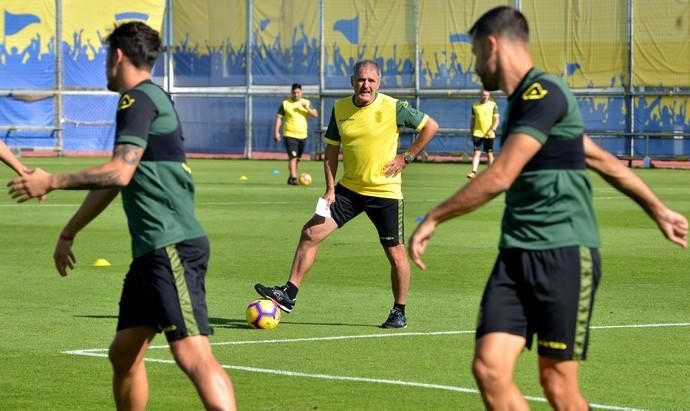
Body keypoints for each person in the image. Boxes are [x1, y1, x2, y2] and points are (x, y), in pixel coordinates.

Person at [408, 6, 687, 411]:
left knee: (557, 386)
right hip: (516, 255)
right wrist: (659, 210)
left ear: (492, 45)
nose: (474, 66)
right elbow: (602, 160)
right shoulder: (522, 103)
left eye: (474, 54)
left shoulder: (544, 93)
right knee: (489, 370)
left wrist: (434, 216)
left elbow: (502, 175)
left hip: (563, 252)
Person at [7, 22, 236, 411]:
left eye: (104, 59)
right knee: (124, 353)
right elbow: (116, 183)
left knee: (192, 355)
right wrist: (69, 232)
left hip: (172, 245)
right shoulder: (147, 100)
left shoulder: (137, 100)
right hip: (152, 251)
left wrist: (52, 181)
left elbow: (119, 171)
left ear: (116, 56)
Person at [255, 59, 439, 328]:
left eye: (371, 80)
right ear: (352, 81)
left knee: (395, 253)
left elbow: (430, 126)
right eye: (361, 80)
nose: (366, 85)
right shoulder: (339, 108)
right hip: (348, 190)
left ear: (379, 82)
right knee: (310, 232)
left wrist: (407, 157)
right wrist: (330, 189)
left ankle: (399, 311)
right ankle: (289, 294)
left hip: (385, 192)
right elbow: (331, 151)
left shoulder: (393, 107)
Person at [275, 83, 318, 185]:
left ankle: (291, 177)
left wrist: (306, 108)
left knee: (298, 159)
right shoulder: (285, 103)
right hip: (289, 134)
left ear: (301, 92)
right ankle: (294, 178)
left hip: (302, 135)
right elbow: (279, 118)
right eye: (294, 92)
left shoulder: (306, 102)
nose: (296, 94)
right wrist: (276, 132)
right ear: (291, 92)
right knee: (293, 157)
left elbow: (315, 114)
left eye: (298, 92)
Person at [467, 89, 500, 179]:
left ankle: (490, 173)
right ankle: (473, 172)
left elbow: (497, 119)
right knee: (476, 152)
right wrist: (471, 131)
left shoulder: (493, 105)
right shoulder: (475, 106)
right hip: (477, 133)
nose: (485, 97)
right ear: (480, 95)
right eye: (483, 95)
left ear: (489, 96)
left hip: (489, 134)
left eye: (486, 95)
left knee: (489, 153)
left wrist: (493, 129)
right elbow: (473, 120)